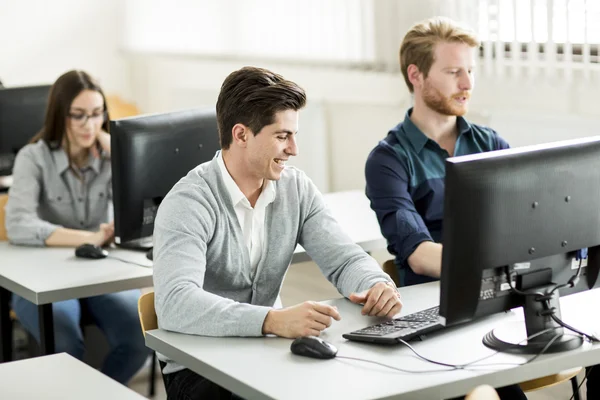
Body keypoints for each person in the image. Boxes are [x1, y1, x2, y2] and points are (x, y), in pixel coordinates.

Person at [152, 66, 402, 399]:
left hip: (267, 352)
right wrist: (271, 320)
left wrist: (375, 284)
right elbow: (176, 303)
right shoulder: (189, 202)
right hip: (198, 368)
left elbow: (342, 258)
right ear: (241, 135)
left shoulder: (295, 188)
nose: (294, 149)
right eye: (282, 136)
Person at [364, 17, 527, 400]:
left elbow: (524, 229)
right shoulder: (388, 160)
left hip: (495, 307)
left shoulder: (491, 144)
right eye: (454, 72)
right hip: (433, 320)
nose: (467, 84)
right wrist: (501, 267)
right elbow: (419, 257)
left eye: (470, 70)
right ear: (416, 75)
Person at [5, 70, 149, 384]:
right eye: (79, 115)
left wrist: (119, 151)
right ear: (61, 115)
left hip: (99, 277)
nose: (89, 125)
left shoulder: (109, 157)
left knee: (139, 342)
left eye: (97, 114)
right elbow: (17, 224)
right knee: (66, 346)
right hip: (45, 280)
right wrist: (89, 238)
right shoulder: (34, 157)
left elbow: (144, 209)